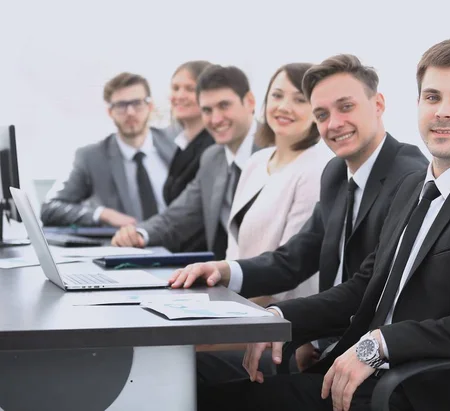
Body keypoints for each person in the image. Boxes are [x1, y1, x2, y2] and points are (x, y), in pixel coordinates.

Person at [193, 38, 450, 411]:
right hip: (363, 377)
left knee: (205, 400)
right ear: (417, 105)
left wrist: (381, 343)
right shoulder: (414, 186)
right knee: (192, 385)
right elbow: (365, 287)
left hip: (420, 390)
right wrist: (280, 319)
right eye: (432, 97)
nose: (443, 111)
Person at [170, 54, 428, 380]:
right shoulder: (336, 173)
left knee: (193, 380)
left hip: (371, 366)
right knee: (184, 371)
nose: (333, 123)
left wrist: (280, 317)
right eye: (322, 114)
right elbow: (296, 256)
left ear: (378, 104)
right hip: (323, 348)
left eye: (345, 107)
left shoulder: (409, 175)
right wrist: (224, 271)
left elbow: (367, 288)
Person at [111, 65, 261, 256]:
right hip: (227, 277)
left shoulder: (277, 148)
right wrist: (139, 234)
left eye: (224, 106)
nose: (215, 119)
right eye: (206, 110)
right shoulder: (213, 158)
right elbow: (180, 215)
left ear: (249, 102)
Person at [226, 63, 333, 306]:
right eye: (277, 95)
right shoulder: (256, 161)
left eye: (299, 99)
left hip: (283, 318)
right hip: (238, 305)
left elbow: (290, 267)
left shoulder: (316, 168)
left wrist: (233, 314)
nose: (284, 107)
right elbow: (234, 250)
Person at [41, 72, 176, 227]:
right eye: (121, 106)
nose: (130, 112)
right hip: (126, 247)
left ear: (150, 106)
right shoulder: (91, 157)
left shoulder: (175, 144)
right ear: (110, 112)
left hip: (178, 244)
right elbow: (49, 208)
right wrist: (102, 214)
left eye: (137, 103)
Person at [163, 60, 215, 206]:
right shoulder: (182, 144)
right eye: (175, 88)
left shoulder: (214, 147)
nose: (180, 96)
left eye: (190, 89)